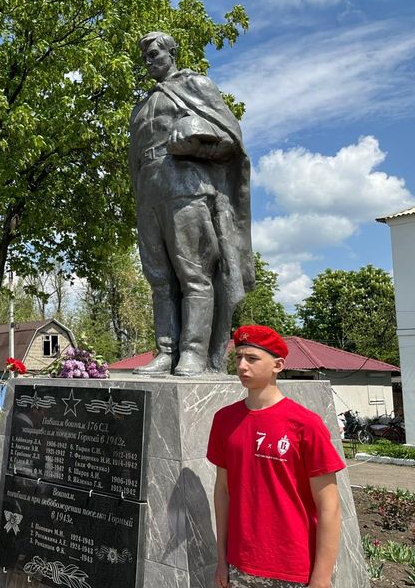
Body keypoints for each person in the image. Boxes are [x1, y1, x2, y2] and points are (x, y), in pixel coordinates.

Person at [129, 31, 254, 376]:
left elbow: (231, 140)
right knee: (160, 280)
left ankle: (194, 353)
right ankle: (165, 352)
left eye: (155, 53)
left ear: (171, 53)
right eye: (146, 57)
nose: (150, 61)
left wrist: (194, 146)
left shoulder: (195, 85)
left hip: (187, 187)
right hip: (149, 192)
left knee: (194, 274)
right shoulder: (141, 106)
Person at [207, 325, 344, 588]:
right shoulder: (224, 420)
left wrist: (322, 578)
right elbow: (222, 491)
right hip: (240, 564)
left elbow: (329, 506)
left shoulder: (305, 424)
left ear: (278, 365)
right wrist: (222, 559)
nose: (242, 366)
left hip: (293, 568)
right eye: (238, 358)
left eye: (252, 358)